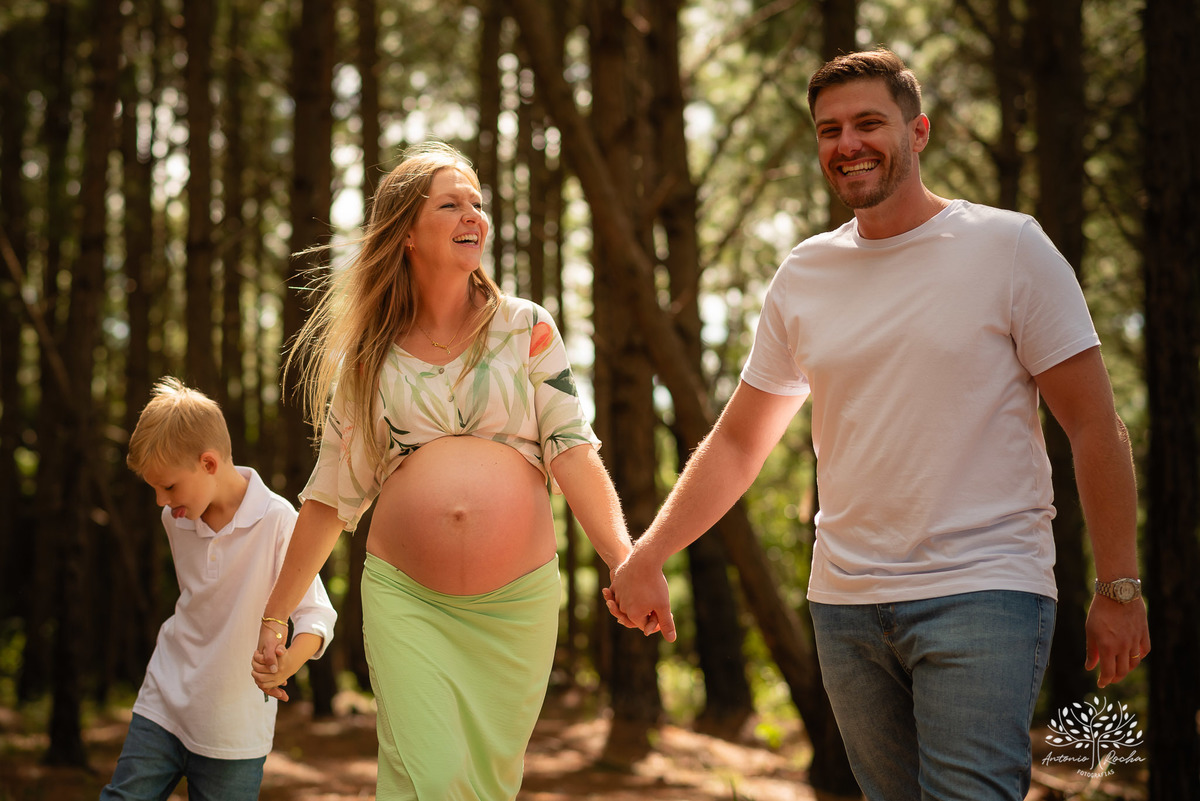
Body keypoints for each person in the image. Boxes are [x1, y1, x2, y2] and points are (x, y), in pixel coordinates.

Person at [605, 48, 1151, 801]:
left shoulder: (1009, 247)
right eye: (829, 130)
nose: (847, 144)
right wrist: (648, 552)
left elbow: (1094, 422)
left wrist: (1119, 583)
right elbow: (738, 441)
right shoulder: (803, 275)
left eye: (869, 123)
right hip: (846, 607)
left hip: (984, 590)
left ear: (917, 131)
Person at [252, 141, 631, 800]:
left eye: (478, 204)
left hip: (517, 604)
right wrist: (274, 614)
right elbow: (328, 499)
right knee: (431, 775)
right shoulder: (370, 361)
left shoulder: (525, 329)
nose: (474, 216)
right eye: (451, 204)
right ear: (405, 234)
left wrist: (625, 559)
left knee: (483, 784)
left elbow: (572, 449)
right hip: (407, 599)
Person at [101, 377, 336, 801]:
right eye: (154, 488)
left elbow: (318, 617)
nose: (160, 501)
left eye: (168, 486)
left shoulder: (279, 521)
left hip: (234, 731)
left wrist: (285, 666)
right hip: (165, 701)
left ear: (209, 463)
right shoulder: (176, 519)